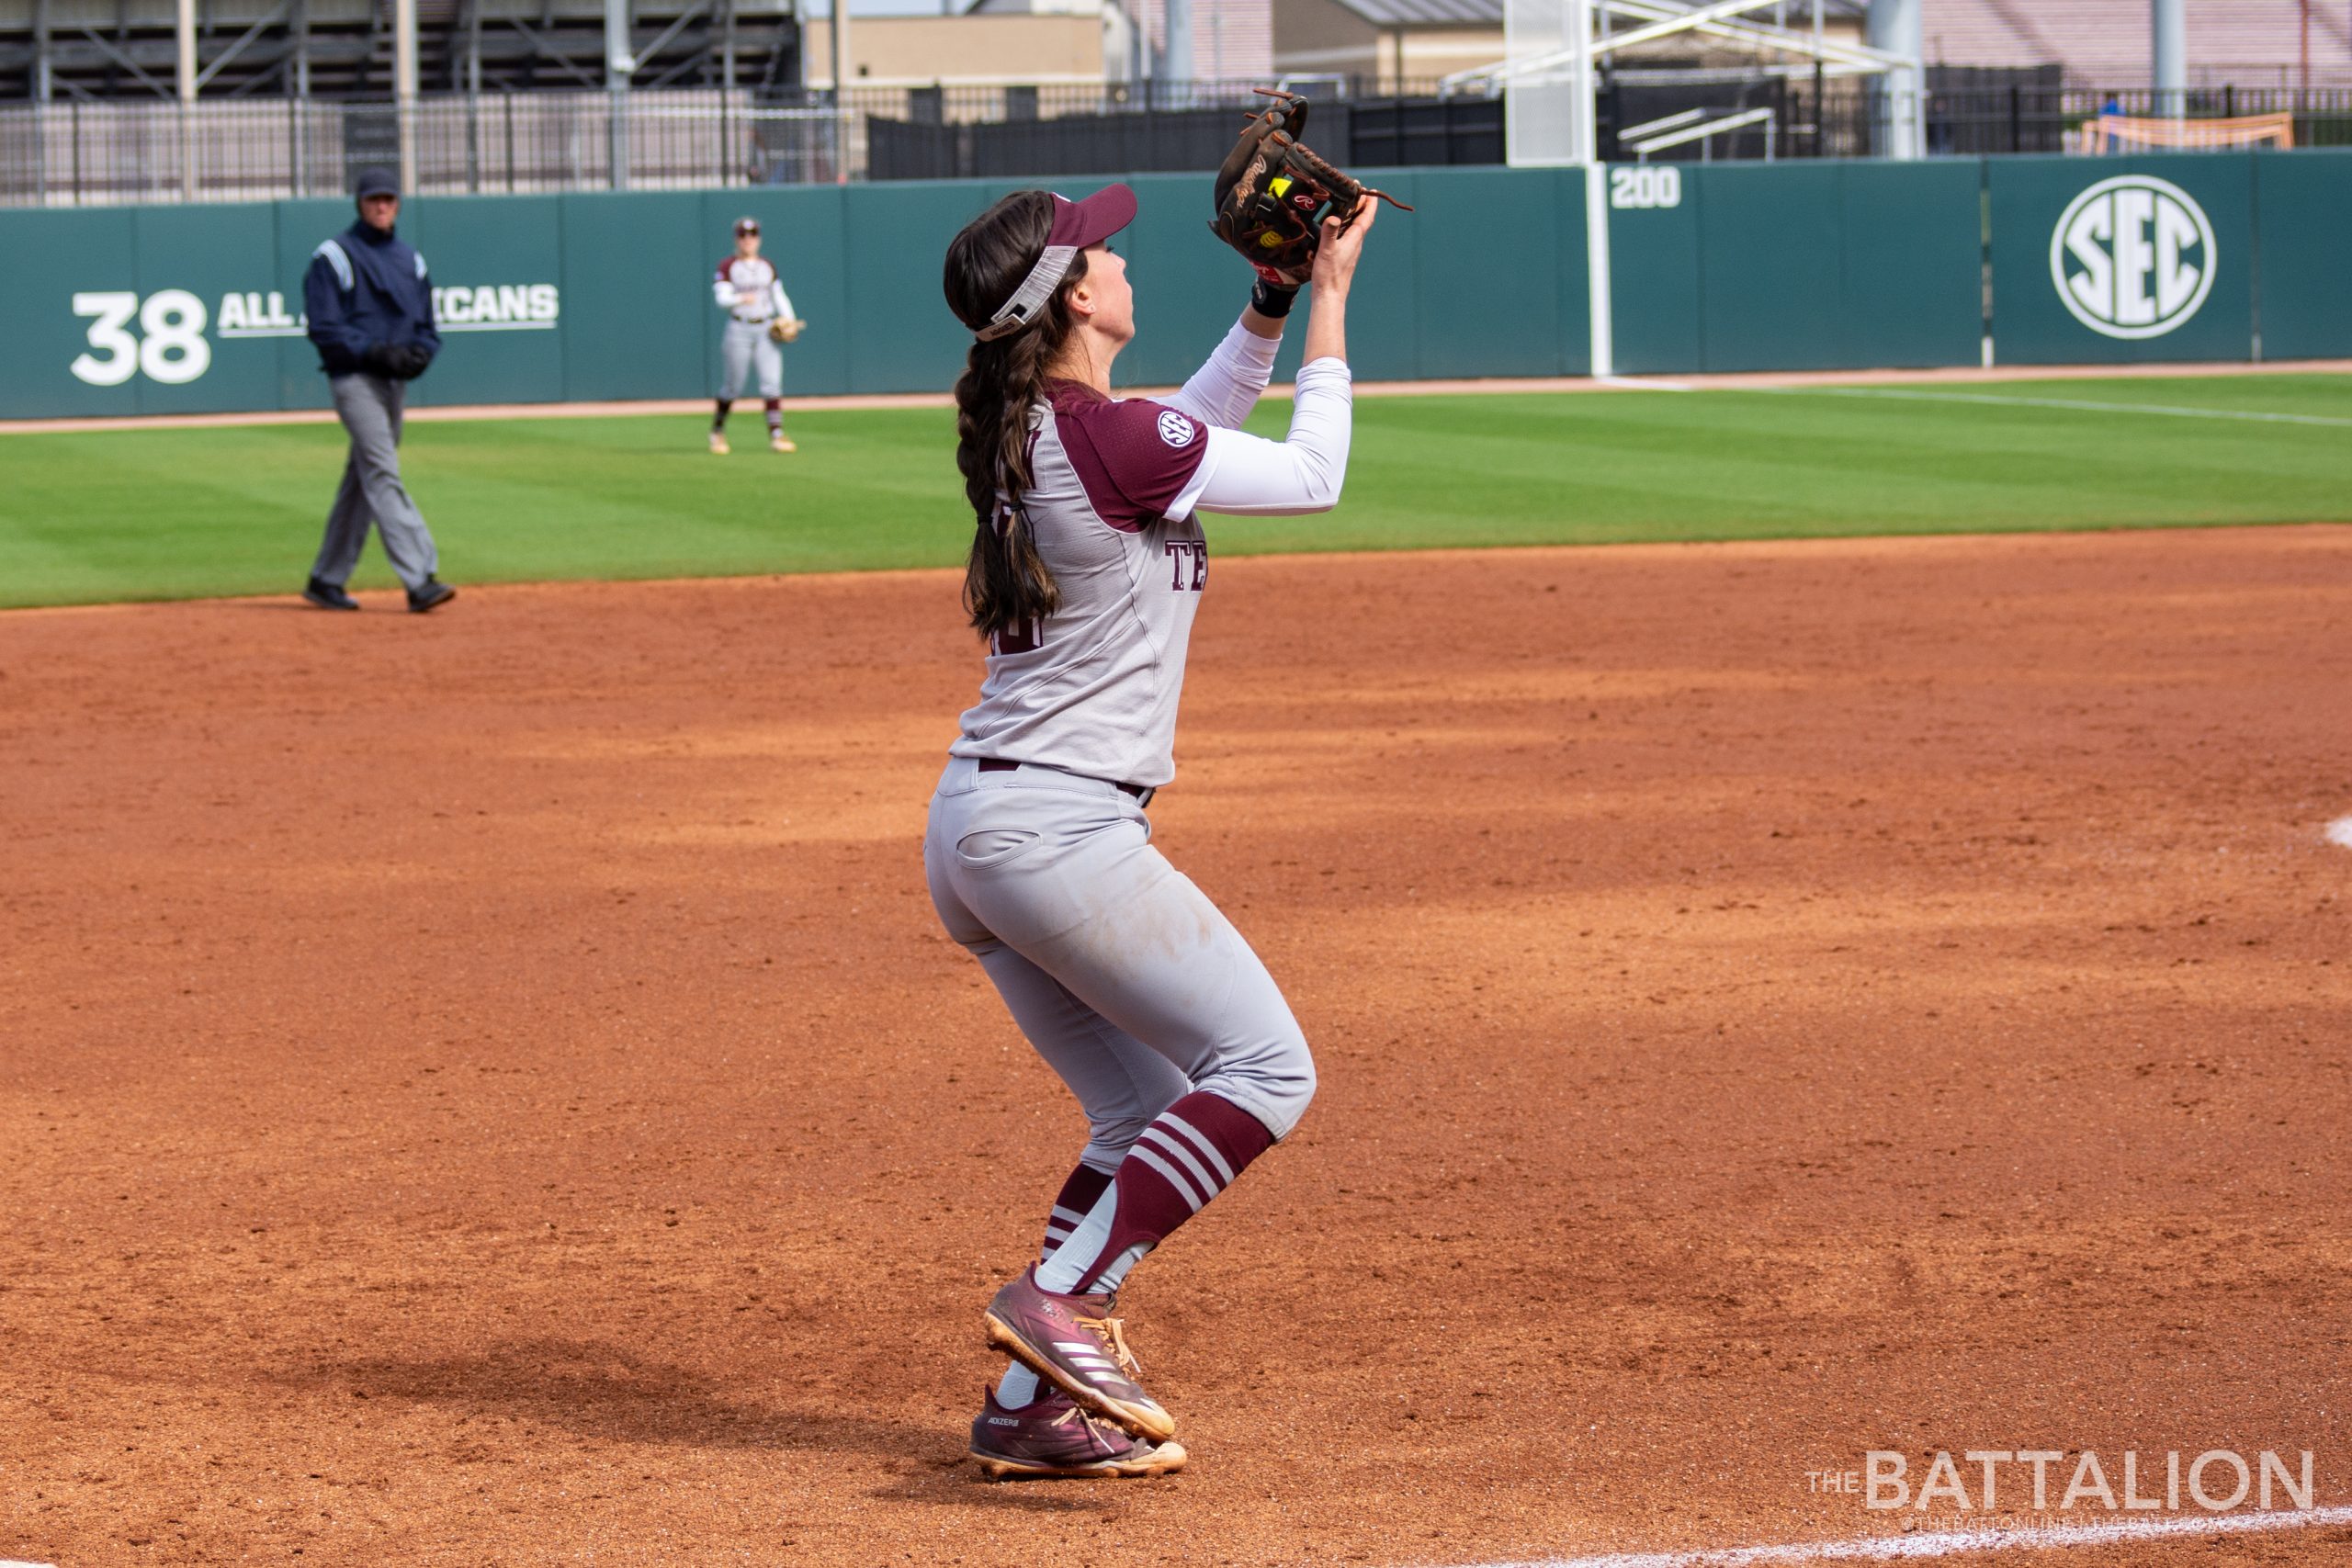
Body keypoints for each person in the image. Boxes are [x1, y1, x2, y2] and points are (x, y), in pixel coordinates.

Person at [926, 183, 1374, 1481]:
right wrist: (1334, 303)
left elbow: (1188, 427)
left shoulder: (1057, 428)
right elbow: (1312, 474)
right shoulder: (1112, 435)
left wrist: (1271, 301)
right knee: (1266, 1069)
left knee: (1139, 1111)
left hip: (982, 827)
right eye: (1102, 250)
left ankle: (1026, 1404)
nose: (1120, 257)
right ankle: (1059, 1301)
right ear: (1073, 297)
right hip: (1060, 832)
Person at [300, 166, 456, 615]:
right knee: (383, 471)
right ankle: (420, 576)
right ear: (360, 203)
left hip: (392, 384)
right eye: (373, 200)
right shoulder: (334, 257)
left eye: (388, 199)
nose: (381, 206)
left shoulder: (411, 259)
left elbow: (427, 325)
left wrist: (421, 354)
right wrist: (374, 351)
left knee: (362, 478)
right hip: (354, 381)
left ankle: (326, 578)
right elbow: (324, 327)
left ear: (398, 203)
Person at [709, 217, 800, 455]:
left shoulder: (766, 265)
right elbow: (721, 299)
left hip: (766, 329)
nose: (748, 240)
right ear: (736, 239)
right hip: (739, 328)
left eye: (752, 235)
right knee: (733, 385)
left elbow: (779, 295)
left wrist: (789, 317)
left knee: (771, 382)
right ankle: (717, 432)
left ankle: (777, 434)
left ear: (758, 239)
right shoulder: (728, 265)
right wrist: (740, 298)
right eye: (743, 235)